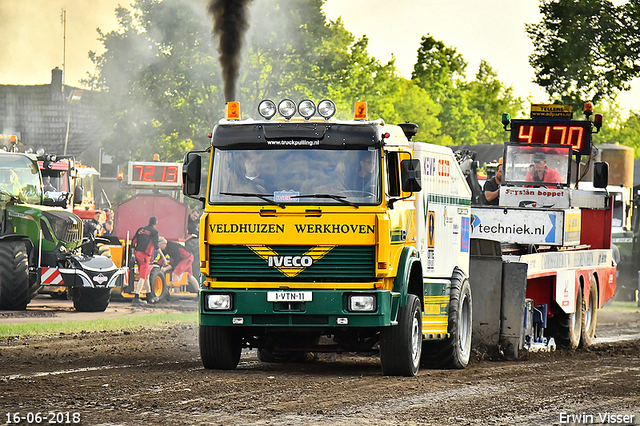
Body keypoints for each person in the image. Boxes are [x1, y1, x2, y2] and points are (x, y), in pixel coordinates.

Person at [131, 216, 162, 304]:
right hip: (145, 256)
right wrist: (162, 256)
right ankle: (136, 297)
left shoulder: (140, 229)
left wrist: (133, 254)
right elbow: (156, 245)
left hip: (137, 254)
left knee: (146, 275)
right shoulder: (155, 232)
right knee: (143, 277)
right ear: (156, 223)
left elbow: (133, 242)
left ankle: (149, 296)